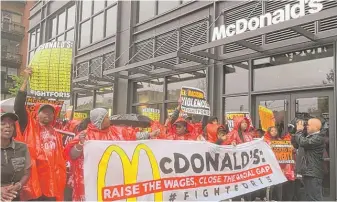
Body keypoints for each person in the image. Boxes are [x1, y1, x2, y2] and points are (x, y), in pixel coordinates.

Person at [14, 68, 66, 201]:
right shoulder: (29, 126)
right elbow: (19, 106)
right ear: (37, 113)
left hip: (52, 185)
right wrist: (25, 80)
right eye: (44, 112)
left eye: (50, 112)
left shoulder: (56, 133)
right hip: (34, 183)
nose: (48, 114)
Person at [1, 112, 31, 201]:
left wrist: (18, 185)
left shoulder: (22, 147)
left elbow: (27, 173)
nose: (8, 126)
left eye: (11, 124)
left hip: (14, 196)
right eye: (3, 124)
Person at [293, 118, 325, 201]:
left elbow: (303, 142)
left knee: (314, 198)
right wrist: (294, 132)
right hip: (307, 172)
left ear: (316, 127)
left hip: (313, 173)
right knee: (308, 197)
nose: (306, 126)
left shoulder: (319, 138)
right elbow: (296, 144)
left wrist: (299, 131)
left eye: (309, 125)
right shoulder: (308, 136)